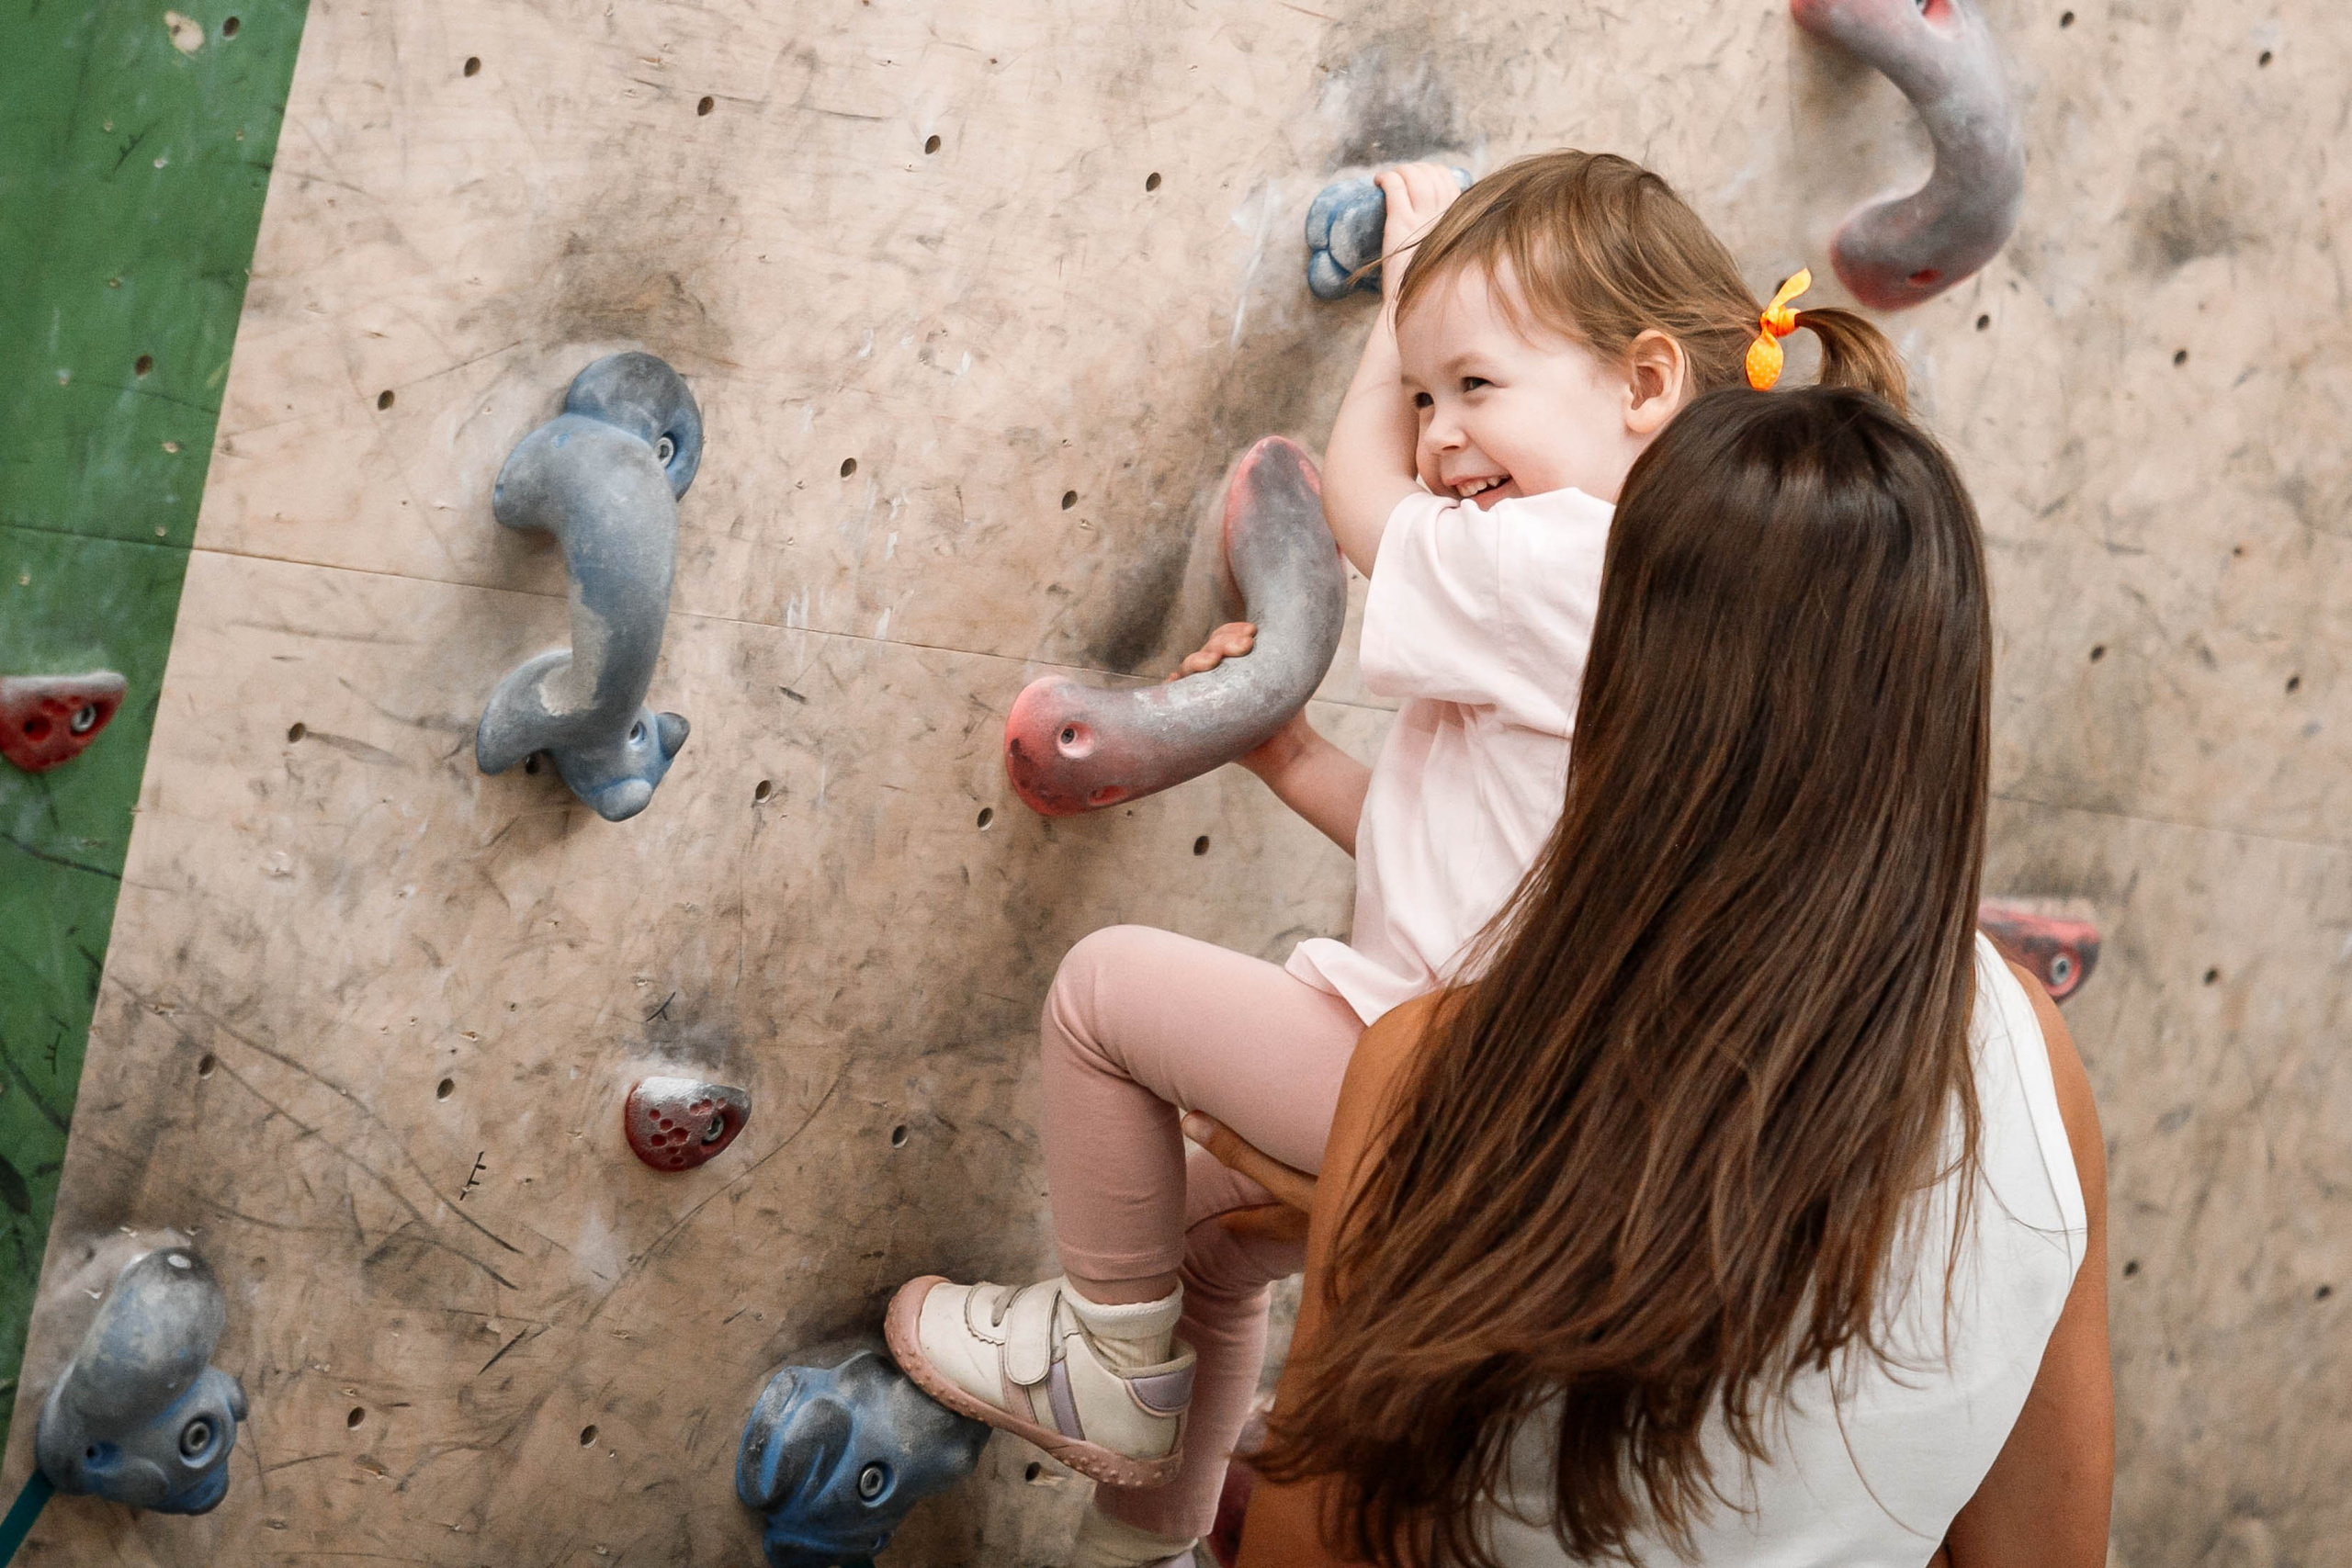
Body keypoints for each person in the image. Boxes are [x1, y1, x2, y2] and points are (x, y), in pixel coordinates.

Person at [886, 150, 1908, 1568]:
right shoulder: (1689, 601)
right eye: (1428, 398)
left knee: (1103, 992)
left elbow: (1356, 501)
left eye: (1475, 387)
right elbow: (1460, 851)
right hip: (1528, 1107)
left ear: (1647, 384)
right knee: (1205, 1244)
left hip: (1436, 1076)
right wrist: (1289, 753)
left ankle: (1100, 1362)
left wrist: (1395, 302)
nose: (1436, 437)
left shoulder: (1572, 552)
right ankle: (1150, 1541)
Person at [1231, 385, 2112, 1567]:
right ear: (1941, 696)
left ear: (1624, 673)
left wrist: (1381, 1229)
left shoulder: (1433, 1073)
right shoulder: (2032, 1058)